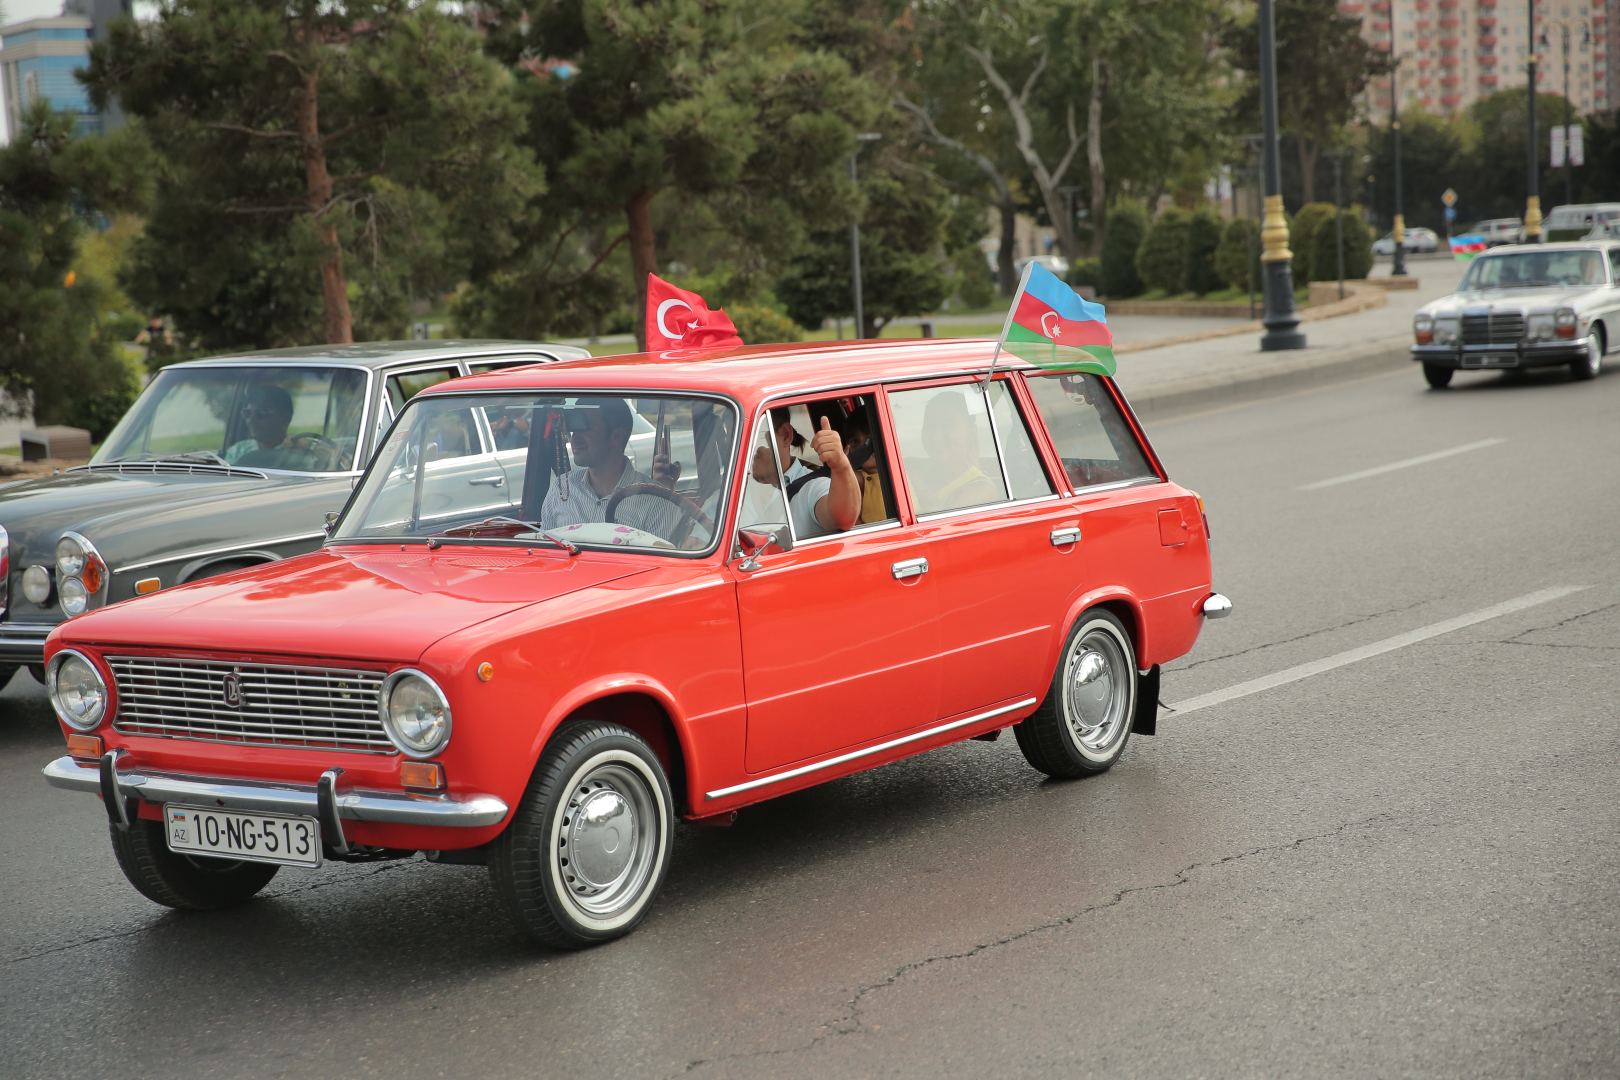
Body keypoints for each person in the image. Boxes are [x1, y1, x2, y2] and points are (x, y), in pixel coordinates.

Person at [540, 398, 686, 541]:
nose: (575, 438)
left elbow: (664, 562)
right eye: (574, 428)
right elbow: (547, 553)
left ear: (616, 436)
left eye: (586, 427)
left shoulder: (658, 503)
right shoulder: (560, 490)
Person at [751, 406, 860, 539]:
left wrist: (841, 467)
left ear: (786, 435)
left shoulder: (813, 487)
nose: (746, 451)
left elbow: (842, 518)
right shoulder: (746, 491)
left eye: (753, 438)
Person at [916, 390, 1001, 514]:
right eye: (930, 426)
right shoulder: (920, 469)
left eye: (948, 426)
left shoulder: (981, 490)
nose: (936, 437)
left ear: (971, 433)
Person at [225, 385, 312, 469]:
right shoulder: (237, 451)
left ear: (285, 418)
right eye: (247, 413)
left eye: (262, 413)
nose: (251, 420)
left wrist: (308, 449)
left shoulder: (301, 450)